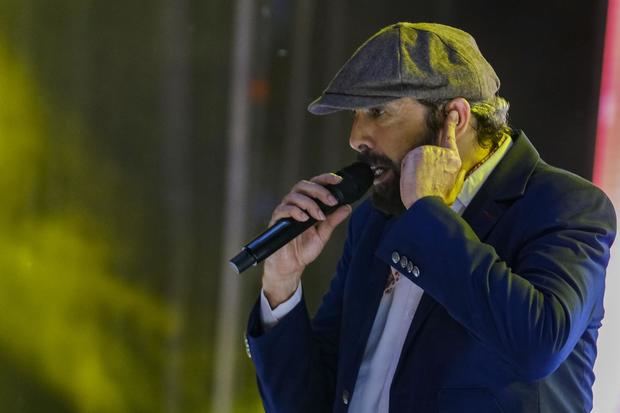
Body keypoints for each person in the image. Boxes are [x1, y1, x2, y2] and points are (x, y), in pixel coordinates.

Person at [244, 22, 617, 413]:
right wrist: (281, 285)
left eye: (377, 111)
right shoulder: (375, 221)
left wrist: (428, 216)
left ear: (453, 118)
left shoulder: (564, 205)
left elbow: (538, 344)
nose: (356, 137)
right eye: (356, 115)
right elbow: (310, 403)